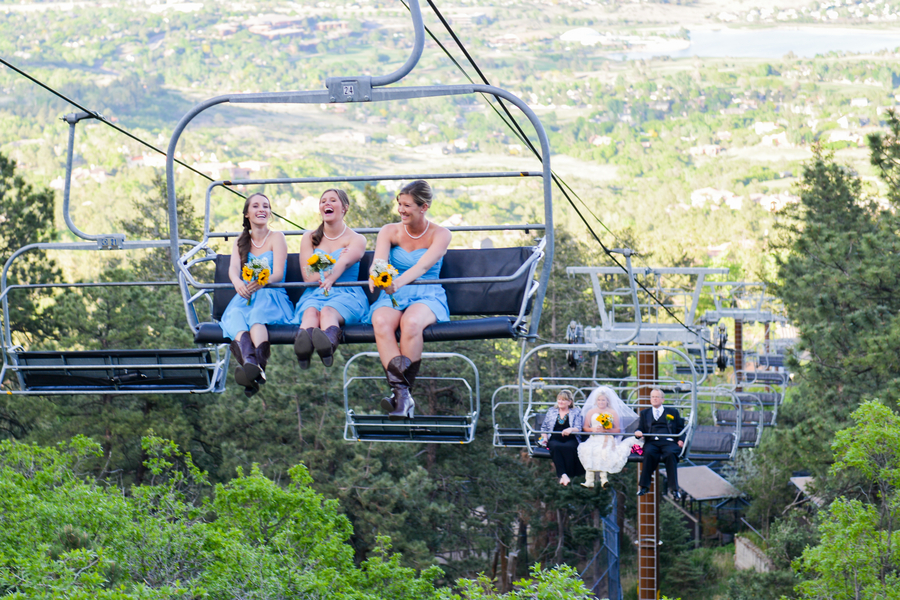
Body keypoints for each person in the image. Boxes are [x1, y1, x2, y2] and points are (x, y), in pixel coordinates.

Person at [367, 180, 451, 420]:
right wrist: (377, 276)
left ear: (423, 207)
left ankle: (400, 394)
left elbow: (424, 265)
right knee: (381, 321)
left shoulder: (441, 234)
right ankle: (402, 395)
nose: (401, 210)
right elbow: (379, 261)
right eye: (399, 204)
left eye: (407, 205)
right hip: (396, 293)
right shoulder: (389, 231)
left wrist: (398, 282)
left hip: (427, 292)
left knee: (411, 324)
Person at [220, 193, 293, 396]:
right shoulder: (241, 241)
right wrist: (237, 283)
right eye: (256, 206)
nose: (262, 209)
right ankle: (253, 366)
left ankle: (252, 372)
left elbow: (278, 272)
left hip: (270, 293)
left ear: (270, 214)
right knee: (236, 317)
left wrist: (262, 281)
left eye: (266, 206)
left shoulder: (277, 238)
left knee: (256, 317)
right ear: (247, 214)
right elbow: (233, 269)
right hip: (245, 295)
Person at [292, 189, 368, 369]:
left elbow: (344, 263)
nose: (327, 203)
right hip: (315, 292)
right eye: (323, 201)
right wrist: (329, 269)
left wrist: (328, 273)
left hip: (345, 292)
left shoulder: (357, 239)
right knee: (311, 312)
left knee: (327, 311)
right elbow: (308, 277)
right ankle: (303, 347)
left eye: (333, 200)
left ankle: (327, 345)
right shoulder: (309, 238)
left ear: (344, 208)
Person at [577, 386, 643, 489]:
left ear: (607, 401)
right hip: (594, 437)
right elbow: (585, 427)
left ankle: (604, 479)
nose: (601, 402)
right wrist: (593, 430)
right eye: (599, 400)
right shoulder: (591, 412)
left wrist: (606, 430)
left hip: (607, 438)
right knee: (588, 449)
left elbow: (618, 430)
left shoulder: (612, 412)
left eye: (603, 400)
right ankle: (589, 480)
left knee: (604, 451)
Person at [635, 388, 685, 500]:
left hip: (668, 441)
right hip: (652, 441)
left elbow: (680, 429)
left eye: (657, 397)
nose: (654, 399)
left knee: (671, 454)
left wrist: (680, 440)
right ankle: (644, 486)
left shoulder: (673, 412)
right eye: (652, 397)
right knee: (648, 453)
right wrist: (638, 432)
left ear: (662, 399)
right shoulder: (644, 413)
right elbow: (641, 428)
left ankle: (674, 489)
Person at [539, 390, 585, 486]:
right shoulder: (552, 411)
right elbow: (544, 428)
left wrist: (571, 429)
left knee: (570, 447)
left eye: (563, 400)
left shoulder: (576, 412)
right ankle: (564, 475)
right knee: (555, 447)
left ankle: (564, 475)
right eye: (559, 399)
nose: (560, 402)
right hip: (555, 438)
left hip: (570, 438)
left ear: (570, 402)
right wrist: (545, 438)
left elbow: (578, 428)